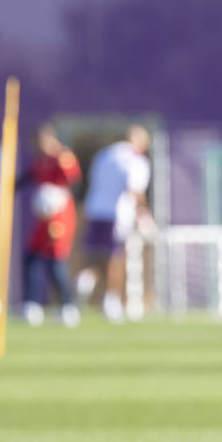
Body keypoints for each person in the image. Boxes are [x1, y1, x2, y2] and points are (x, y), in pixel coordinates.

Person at [78, 125, 152, 323]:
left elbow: (91, 181)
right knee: (115, 257)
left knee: (95, 254)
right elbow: (134, 190)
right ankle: (111, 301)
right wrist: (143, 213)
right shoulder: (136, 160)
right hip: (117, 214)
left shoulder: (104, 155)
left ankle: (86, 280)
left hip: (94, 210)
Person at [17, 124, 82, 327]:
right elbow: (25, 179)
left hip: (59, 217)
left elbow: (75, 182)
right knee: (31, 256)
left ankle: (68, 307)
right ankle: (31, 305)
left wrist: (56, 198)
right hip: (42, 218)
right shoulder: (40, 160)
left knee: (55, 261)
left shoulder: (63, 157)